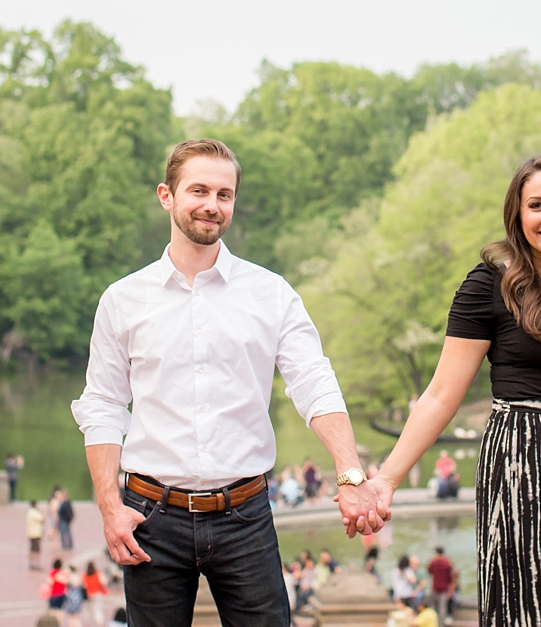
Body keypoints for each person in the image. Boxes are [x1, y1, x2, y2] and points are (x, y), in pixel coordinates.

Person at [71, 138, 388, 627]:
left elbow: (314, 384)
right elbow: (105, 405)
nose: (212, 205)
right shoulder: (123, 299)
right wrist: (110, 507)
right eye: (199, 190)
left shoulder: (271, 293)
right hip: (150, 516)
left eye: (224, 194)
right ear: (166, 195)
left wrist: (350, 476)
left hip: (245, 515)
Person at [363, 155, 541, 626]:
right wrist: (386, 479)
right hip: (522, 465)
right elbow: (441, 396)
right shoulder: (490, 285)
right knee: (533, 606)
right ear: (517, 216)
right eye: (537, 205)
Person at [427, 546, 454, 625]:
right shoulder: (447, 563)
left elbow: (429, 571)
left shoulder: (433, 562)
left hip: (435, 587)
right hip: (444, 588)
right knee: (442, 610)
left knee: (433, 608)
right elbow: (450, 577)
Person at [83, 561, 109, 627]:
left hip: (89, 595)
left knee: (87, 612)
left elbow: (84, 586)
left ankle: (87, 624)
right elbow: (104, 582)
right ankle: (99, 624)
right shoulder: (98, 574)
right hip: (98, 594)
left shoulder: (85, 575)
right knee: (98, 610)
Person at [26, 500, 45, 570]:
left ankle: (31, 563)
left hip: (31, 533)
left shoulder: (29, 512)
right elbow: (42, 519)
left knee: (32, 549)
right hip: (36, 533)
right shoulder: (34, 512)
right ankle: (37, 564)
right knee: (37, 550)